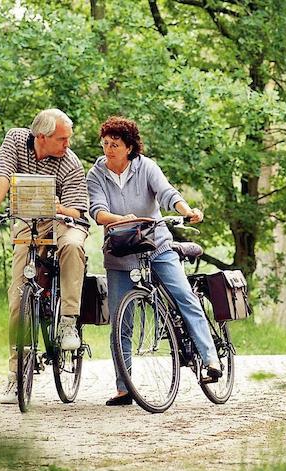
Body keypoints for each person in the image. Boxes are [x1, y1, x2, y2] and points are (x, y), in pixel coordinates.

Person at [87, 116, 221, 406]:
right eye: (105, 143)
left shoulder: (145, 167)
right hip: (120, 251)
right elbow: (97, 211)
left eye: (115, 144)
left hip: (156, 244)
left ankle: (210, 358)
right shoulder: (96, 173)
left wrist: (187, 210)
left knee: (183, 295)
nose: (108, 149)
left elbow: (167, 194)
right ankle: (125, 388)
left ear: (129, 147)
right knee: (120, 322)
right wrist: (120, 219)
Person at [0, 109, 89, 405]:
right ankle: (16, 377)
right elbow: (4, 178)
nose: (68, 143)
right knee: (18, 298)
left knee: (73, 246)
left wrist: (59, 208)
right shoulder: (15, 140)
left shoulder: (70, 162)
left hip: (64, 221)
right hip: (28, 220)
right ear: (42, 136)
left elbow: (79, 211)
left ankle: (67, 320)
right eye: (62, 139)